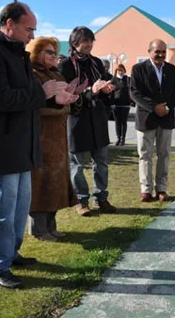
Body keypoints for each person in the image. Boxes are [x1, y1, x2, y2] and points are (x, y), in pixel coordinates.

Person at [0, 1, 73, 289]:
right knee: (3, 207)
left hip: (22, 143)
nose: (32, 35)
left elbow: (30, 95)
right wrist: (42, 93)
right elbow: (0, 99)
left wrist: (55, 97)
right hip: (1, 144)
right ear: (9, 25)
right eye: (28, 29)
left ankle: (11, 253)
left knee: (19, 206)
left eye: (33, 30)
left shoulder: (17, 54)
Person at [59, 26, 118, 217]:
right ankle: (81, 200)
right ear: (74, 42)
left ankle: (101, 197)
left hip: (97, 119)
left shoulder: (97, 63)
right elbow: (66, 94)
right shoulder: (65, 66)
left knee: (101, 162)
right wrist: (90, 91)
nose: (89, 44)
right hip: (76, 120)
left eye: (91, 41)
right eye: (85, 41)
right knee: (77, 164)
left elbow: (104, 87)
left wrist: (107, 89)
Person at [27, 37, 82, 241]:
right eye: (48, 52)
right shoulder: (32, 74)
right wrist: (59, 107)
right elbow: (34, 105)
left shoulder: (56, 73)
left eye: (54, 52)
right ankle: (39, 228)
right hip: (40, 136)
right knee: (40, 182)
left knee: (56, 182)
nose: (53, 56)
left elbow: (63, 104)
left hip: (58, 138)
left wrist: (72, 98)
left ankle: (51, 225)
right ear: (36, 52)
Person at [130, 39, 175, 202]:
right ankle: (146, 189)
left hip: (166, 119)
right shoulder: (138, 69)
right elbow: (134, 93)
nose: (160, 55)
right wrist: (154, 107)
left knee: (164, 155)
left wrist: (167, 108)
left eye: (163, 52)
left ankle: (161, 189)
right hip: (146, 119)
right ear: (149, 51)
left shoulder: (172, 70)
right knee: (145, 155)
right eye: (157, 51)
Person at [111, 63, 131, 146]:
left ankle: (123, 139)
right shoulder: (113, 80)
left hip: (125, 104)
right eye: (119, 70)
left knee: (123, 121)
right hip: (116, 104)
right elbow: (111, 92)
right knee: (117, 122)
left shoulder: (127, 79)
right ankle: (118, 138)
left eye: (122, 70)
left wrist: (131, 102)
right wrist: (112, 102)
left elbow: (131, 90)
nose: (120, 72)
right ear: (116, 71)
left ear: (124, 71)